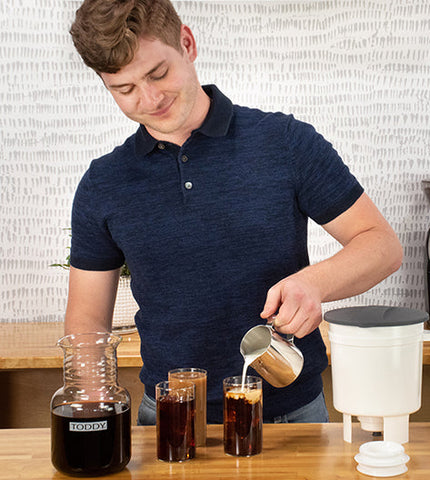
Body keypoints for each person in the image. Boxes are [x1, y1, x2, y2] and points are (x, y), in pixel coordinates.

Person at [66, 0, 403, 425]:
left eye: (158, 74)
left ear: (187, 44)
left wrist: (314, 283)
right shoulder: (104, 183)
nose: (150, 100)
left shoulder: (285, 142)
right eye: (125, 89)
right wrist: (94, 407)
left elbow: (381, 245)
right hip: (168, 419)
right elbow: (87, 321)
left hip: (291, 416)